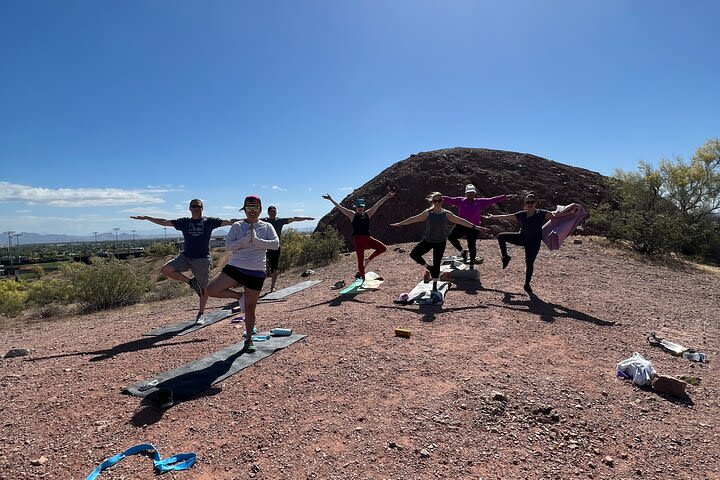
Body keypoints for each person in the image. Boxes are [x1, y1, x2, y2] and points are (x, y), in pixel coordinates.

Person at [131, 199, 237, 324]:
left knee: (204, 289)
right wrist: (147, 218)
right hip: (186, 256)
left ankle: (201, 314)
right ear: (189, 208)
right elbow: (164, 222)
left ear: (202, 208)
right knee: (166, 269)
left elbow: (230, 222)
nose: (196, 208)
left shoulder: (209, 222)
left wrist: (250, 220)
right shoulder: (184, 222)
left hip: (202, 258)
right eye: (193, 206)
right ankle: (191, 282)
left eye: (198, 206)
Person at [205, 196, 279, 352]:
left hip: (257, 271)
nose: (252, 211)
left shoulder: (266, 227)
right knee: (210, 290)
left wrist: (259, 241)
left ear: (260, 209)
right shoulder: (237, 226)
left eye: (256, 208)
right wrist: (245, 240)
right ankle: (239, 297)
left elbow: (275, 244)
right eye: (249, 208)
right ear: (244, 209)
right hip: (236, 267)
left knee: (250, 308)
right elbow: (228, 246)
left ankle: (249, 340)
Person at [484, 192, 579, 294]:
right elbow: (508, 216)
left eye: (532, 202)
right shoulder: (522, 214)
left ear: (536, 203)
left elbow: (556, 216)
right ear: (525, 203)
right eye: (528, 202)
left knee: (529, 263)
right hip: (522, 238)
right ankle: (505, 257)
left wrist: (571, 213)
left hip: (534, 242)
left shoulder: (541, 213)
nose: (530, 204)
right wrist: (493, 216)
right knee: (501, 236)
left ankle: (527, 284)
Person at [391, 192, 486, 290]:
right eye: (435, 200)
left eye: (439, 200)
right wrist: (400, 223)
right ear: (432, 201)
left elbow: (460, 221)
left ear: (442, 201)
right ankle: (429, 268)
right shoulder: (428, 213)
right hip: (428, 240)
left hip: (440, 242)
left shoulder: (446, 214)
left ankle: (435, 287)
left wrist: (475, 227)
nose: (437, 202)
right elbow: (414, 218)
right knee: (414, 254)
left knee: (437, 263)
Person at [322, 191, 394, 280]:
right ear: (356, 207)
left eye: (362, 206)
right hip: (358, 240)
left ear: (364, 207)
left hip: (367, 238)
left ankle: (368, 259)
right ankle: (363, 278)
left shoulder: (368, 213)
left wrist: (386, 196)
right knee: (360, 261)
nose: (360, 208)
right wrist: (331, 199)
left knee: (383, 248)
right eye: (359, 206)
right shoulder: (352, 215)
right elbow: (340, 207)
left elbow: (377, 205)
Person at [442, 184, 515, 269]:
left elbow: (491, 200)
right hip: (461, 225)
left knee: (471, 245)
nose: (470, 194)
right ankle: (462, 252)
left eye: (472, 193)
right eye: (469, 193)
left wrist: (504, 197)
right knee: (451, 237)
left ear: (474, 193)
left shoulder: (479, 202)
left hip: (474, 227)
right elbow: (448, 199)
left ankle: (471, 264)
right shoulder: (460, 200)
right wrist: (438, 197)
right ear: (466, 193)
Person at [263, 206, 315, 292]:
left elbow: (293, 219)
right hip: (265, 247)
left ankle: (272, 287)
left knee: (274, 269)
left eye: (274, 211)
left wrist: (306, 218)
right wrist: (233, 222)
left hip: (276, 247)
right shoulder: (264, 221)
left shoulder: (279, 221)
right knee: (262, 268)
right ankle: (259, 286)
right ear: (268, 212)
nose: (273, 213)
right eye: (271, 212)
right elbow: (248, 220)